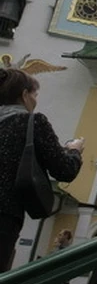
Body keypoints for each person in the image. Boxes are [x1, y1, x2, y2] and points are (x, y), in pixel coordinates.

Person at [0, 68, 84, 272]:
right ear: (24, 95)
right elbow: (64, 170)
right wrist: (74, 151)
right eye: (35, 95)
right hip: (4, 213)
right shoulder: (32, 122)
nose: (35, 100)